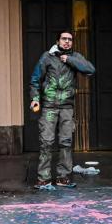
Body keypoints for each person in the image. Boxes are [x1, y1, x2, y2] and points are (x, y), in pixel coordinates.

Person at [29, 30, 96, 190]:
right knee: (46, 142)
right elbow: (35, 79)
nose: (67, 42)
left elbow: (90, 69)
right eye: (64, 39)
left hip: (67, 107)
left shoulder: (75, 57)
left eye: (70, 40)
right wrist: (35, 99)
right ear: (58, 40)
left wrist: (70, 60)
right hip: (49, 106)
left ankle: (63, 178)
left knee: (66, 142)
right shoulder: (47, 57)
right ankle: (43, 179)